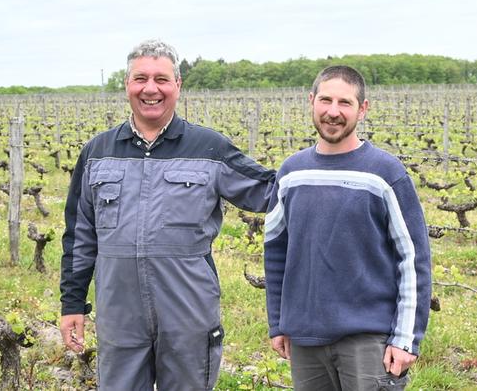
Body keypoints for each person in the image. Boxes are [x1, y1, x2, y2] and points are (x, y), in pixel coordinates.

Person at [59, 39, 274, 390]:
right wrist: (72, 304)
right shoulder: (97, 152)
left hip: (189, 317)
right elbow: (80, 236)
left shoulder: (209, 148)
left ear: (178, 86)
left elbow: (270, 191)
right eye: (140, 78)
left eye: (161, 79)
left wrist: (326, 162)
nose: (150, 89)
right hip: (119, 318)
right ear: (127, 85)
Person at [264, 65, 432, 390]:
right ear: (311, 101)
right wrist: (279, 323)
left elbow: (413, 259)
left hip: (369, 341)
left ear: (363, 109)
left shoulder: (385, 173)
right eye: (325, 100)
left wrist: (406, 338)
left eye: (345, 103)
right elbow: (275, 254)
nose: (333, 112)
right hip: (305, 339)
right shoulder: (291, 173)